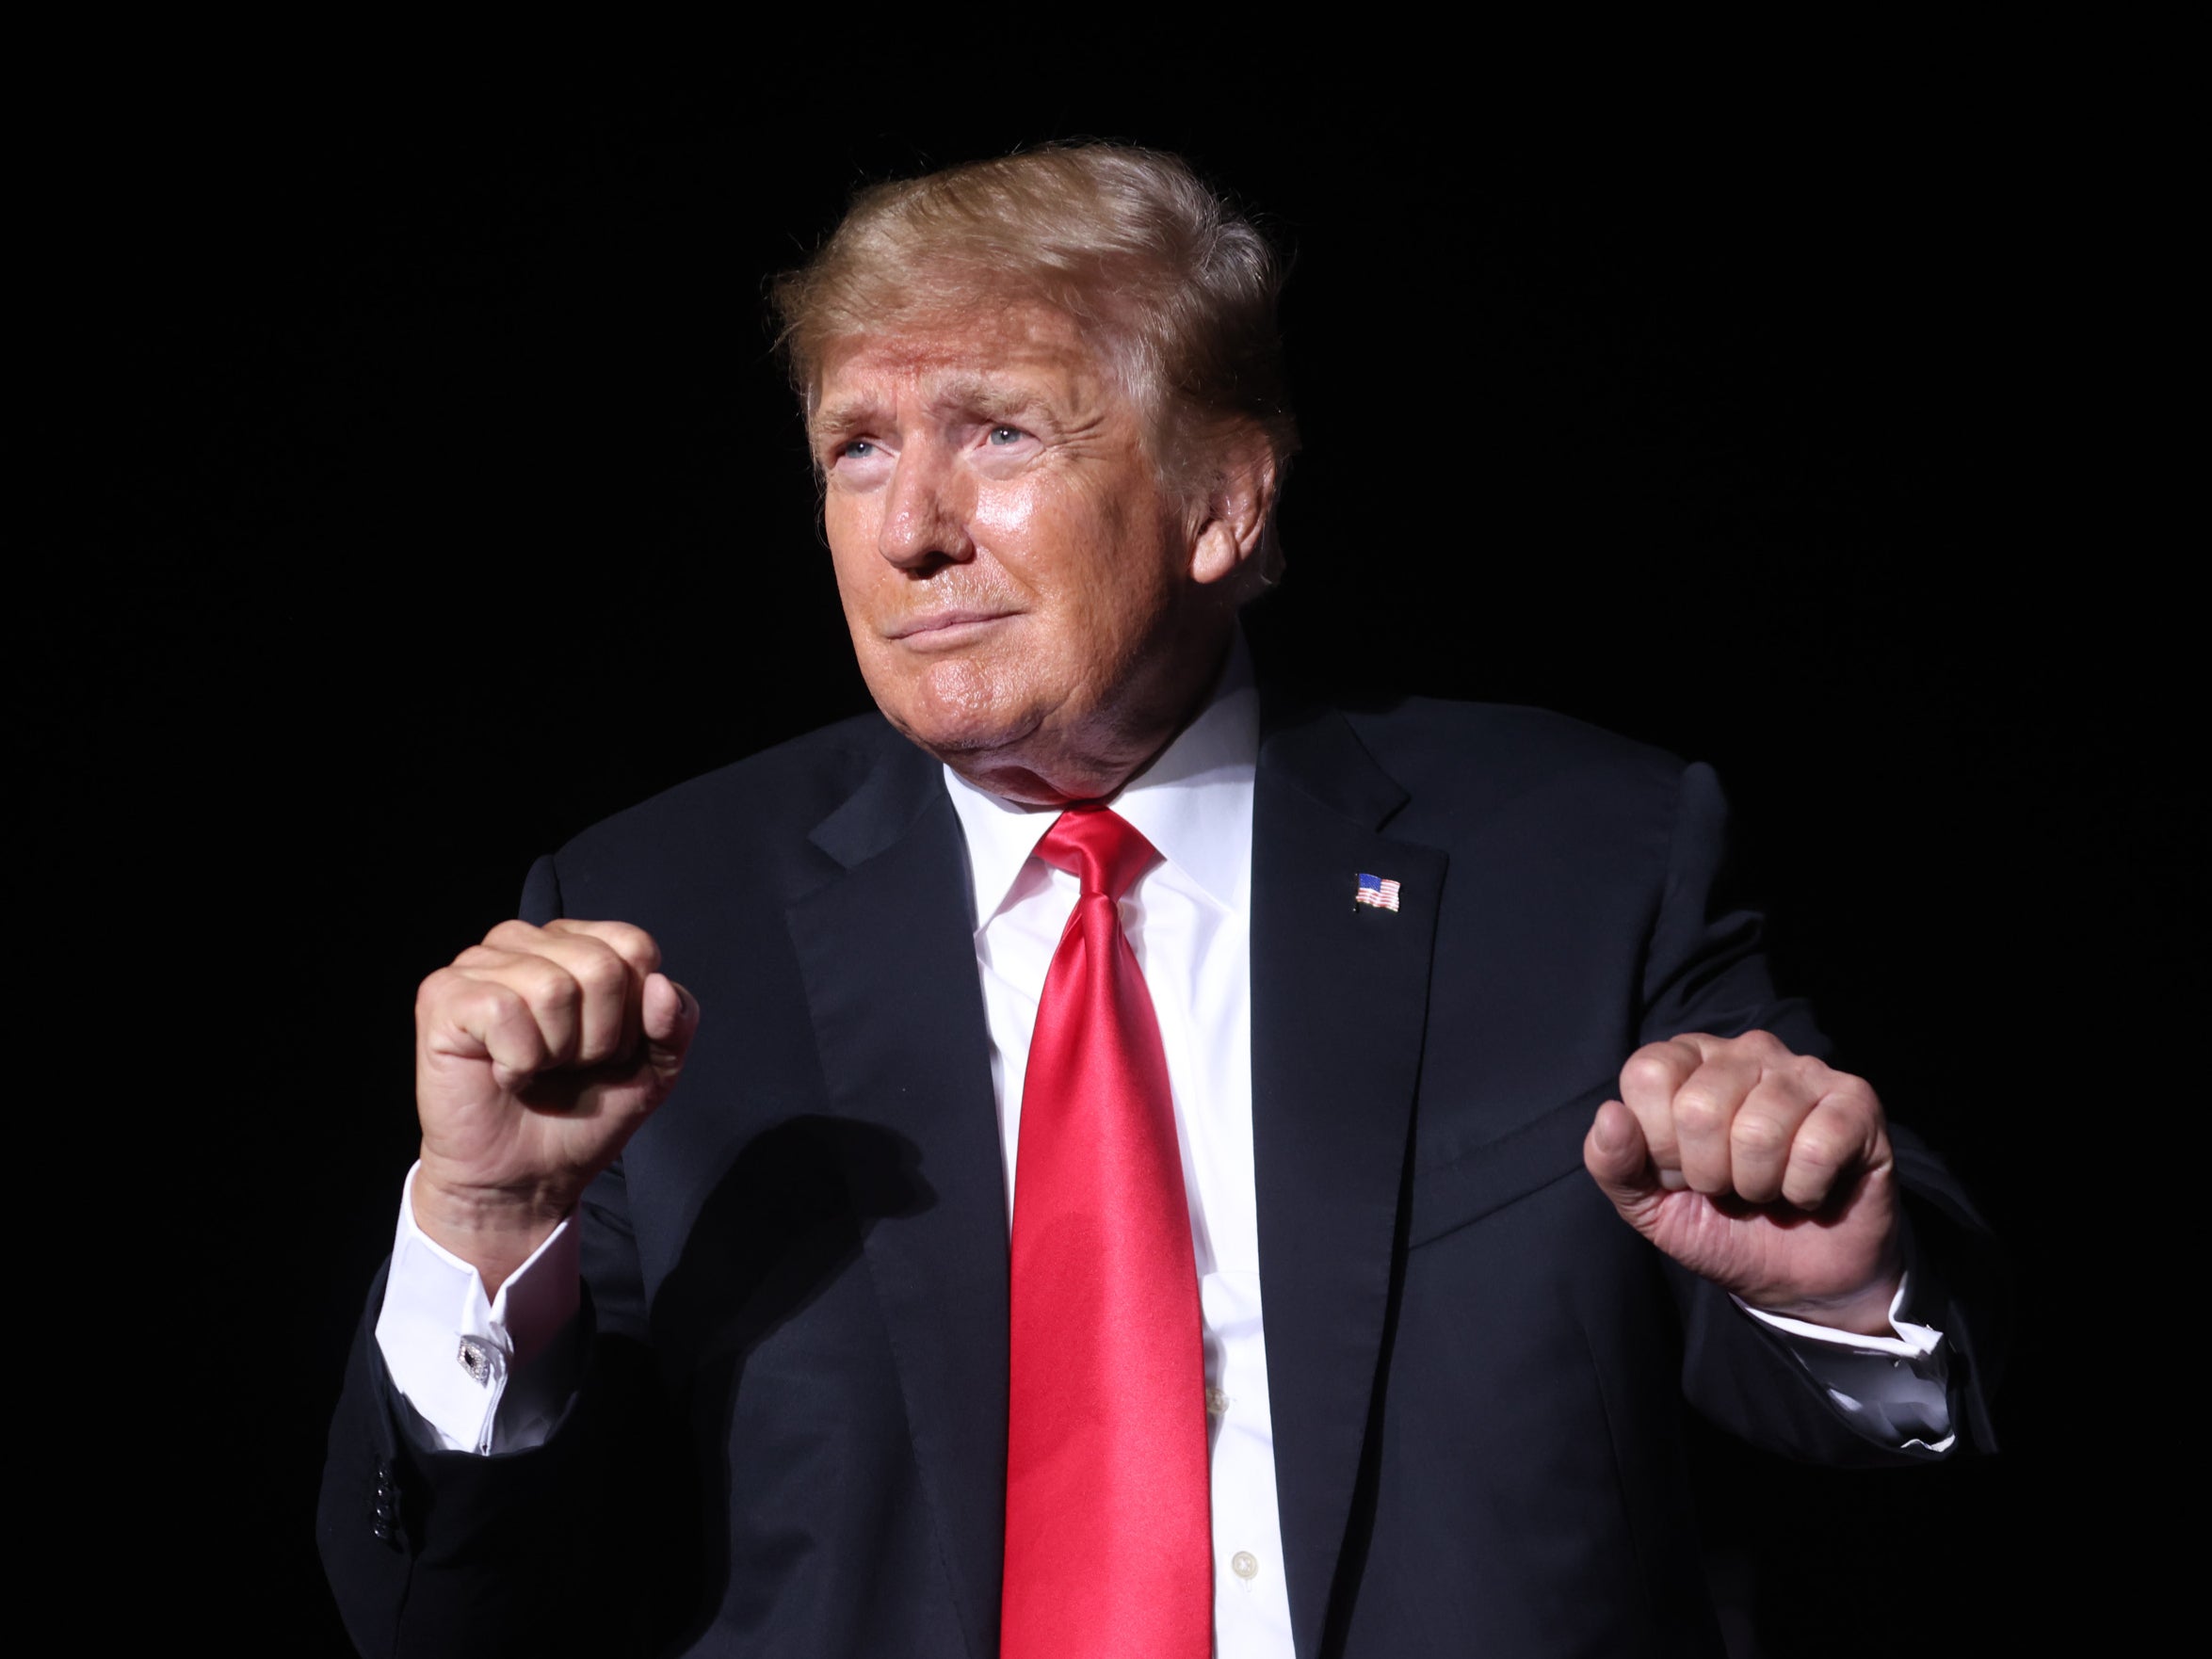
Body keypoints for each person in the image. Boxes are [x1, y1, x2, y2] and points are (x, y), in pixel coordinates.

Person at [319, 145, 1999, 1658]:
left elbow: (1888, 1433)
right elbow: (447, 1612)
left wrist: (1830, 1288)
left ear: (1223, 501)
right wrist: (479, 1229)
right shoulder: (658, 921)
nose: (910, 529)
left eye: (997, 433)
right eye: (854, 445)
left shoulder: (1580, 853)